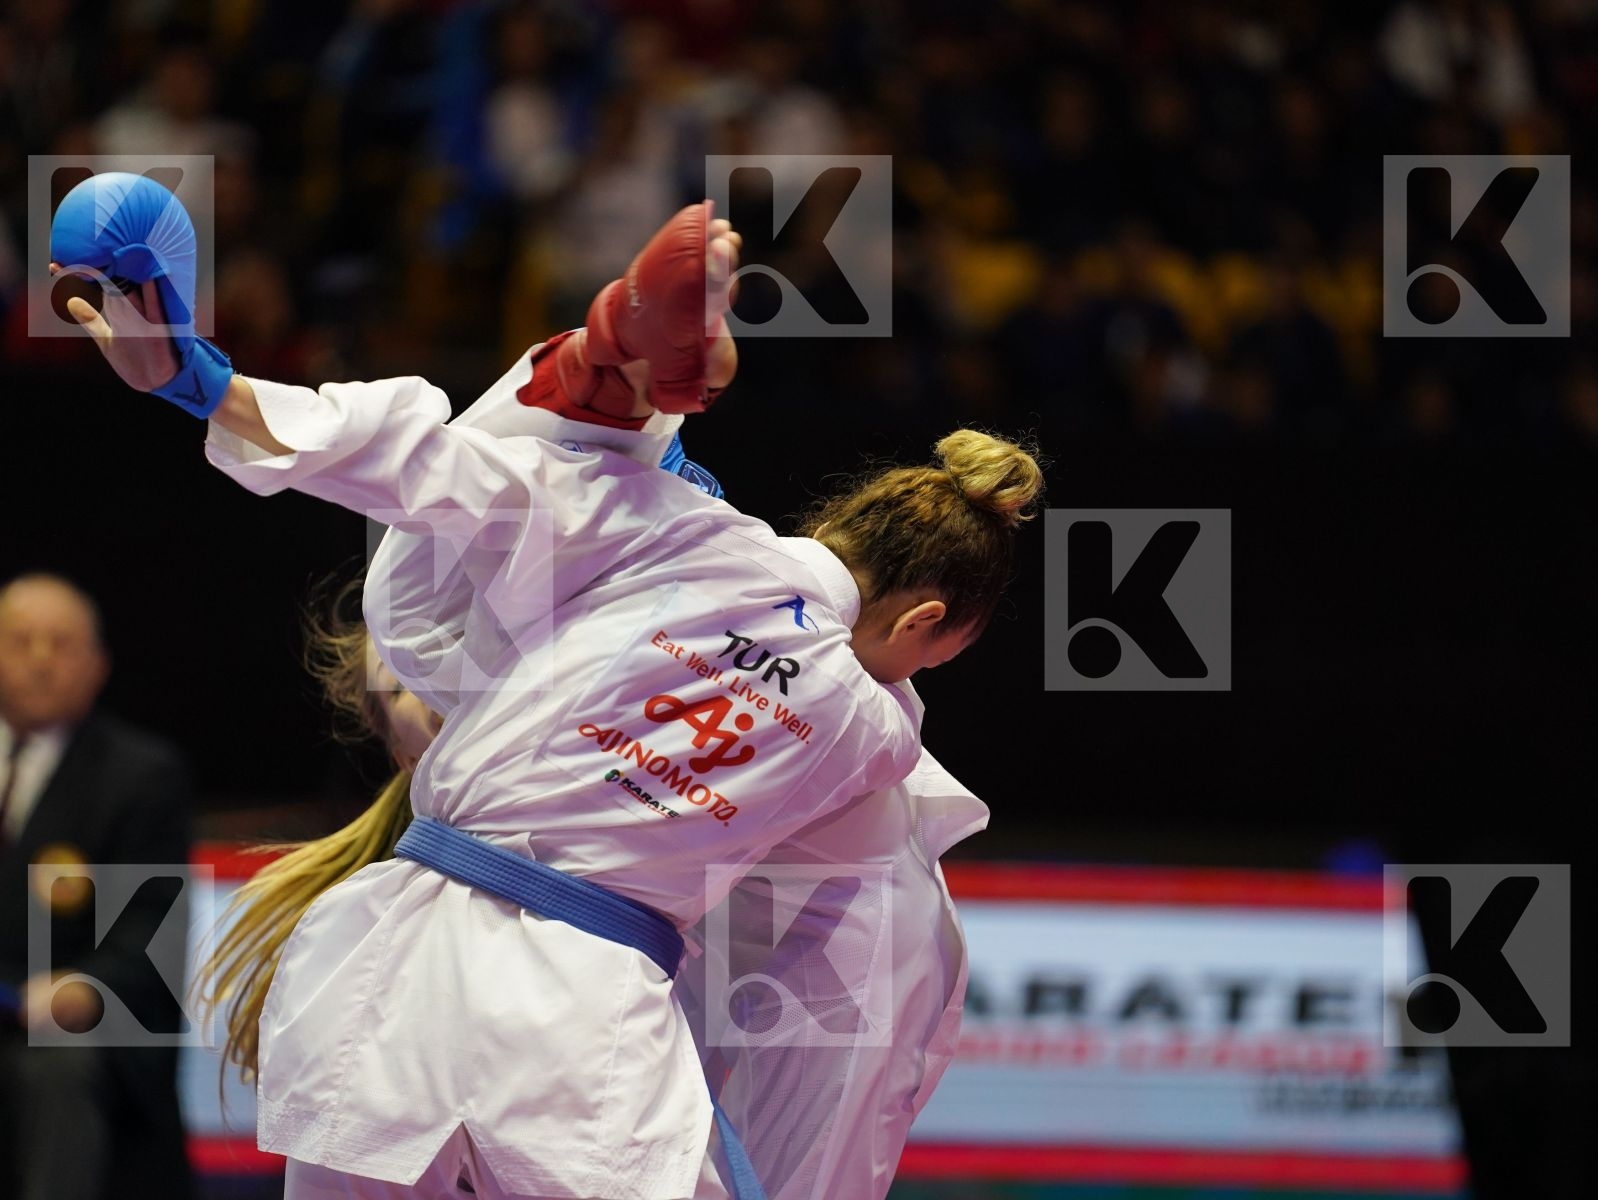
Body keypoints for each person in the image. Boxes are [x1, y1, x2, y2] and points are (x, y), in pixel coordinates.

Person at [61, 202, 1041, 1200]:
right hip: (579, 1014)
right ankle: (610, 372)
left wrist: (204, 383)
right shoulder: (876, 735)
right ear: (923, 625)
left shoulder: (689, 537)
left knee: (505, 506)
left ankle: (603, 362)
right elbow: (873, 975)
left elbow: (436, 470)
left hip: (404, 945)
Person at [0, 572, 196, 1200]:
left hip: (73, 1028)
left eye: (58, 644)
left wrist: (84, 988)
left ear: (97, 664)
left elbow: (151, 928)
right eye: (19, 641)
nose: (38, 661)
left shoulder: (140, 776)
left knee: (57, 1068)